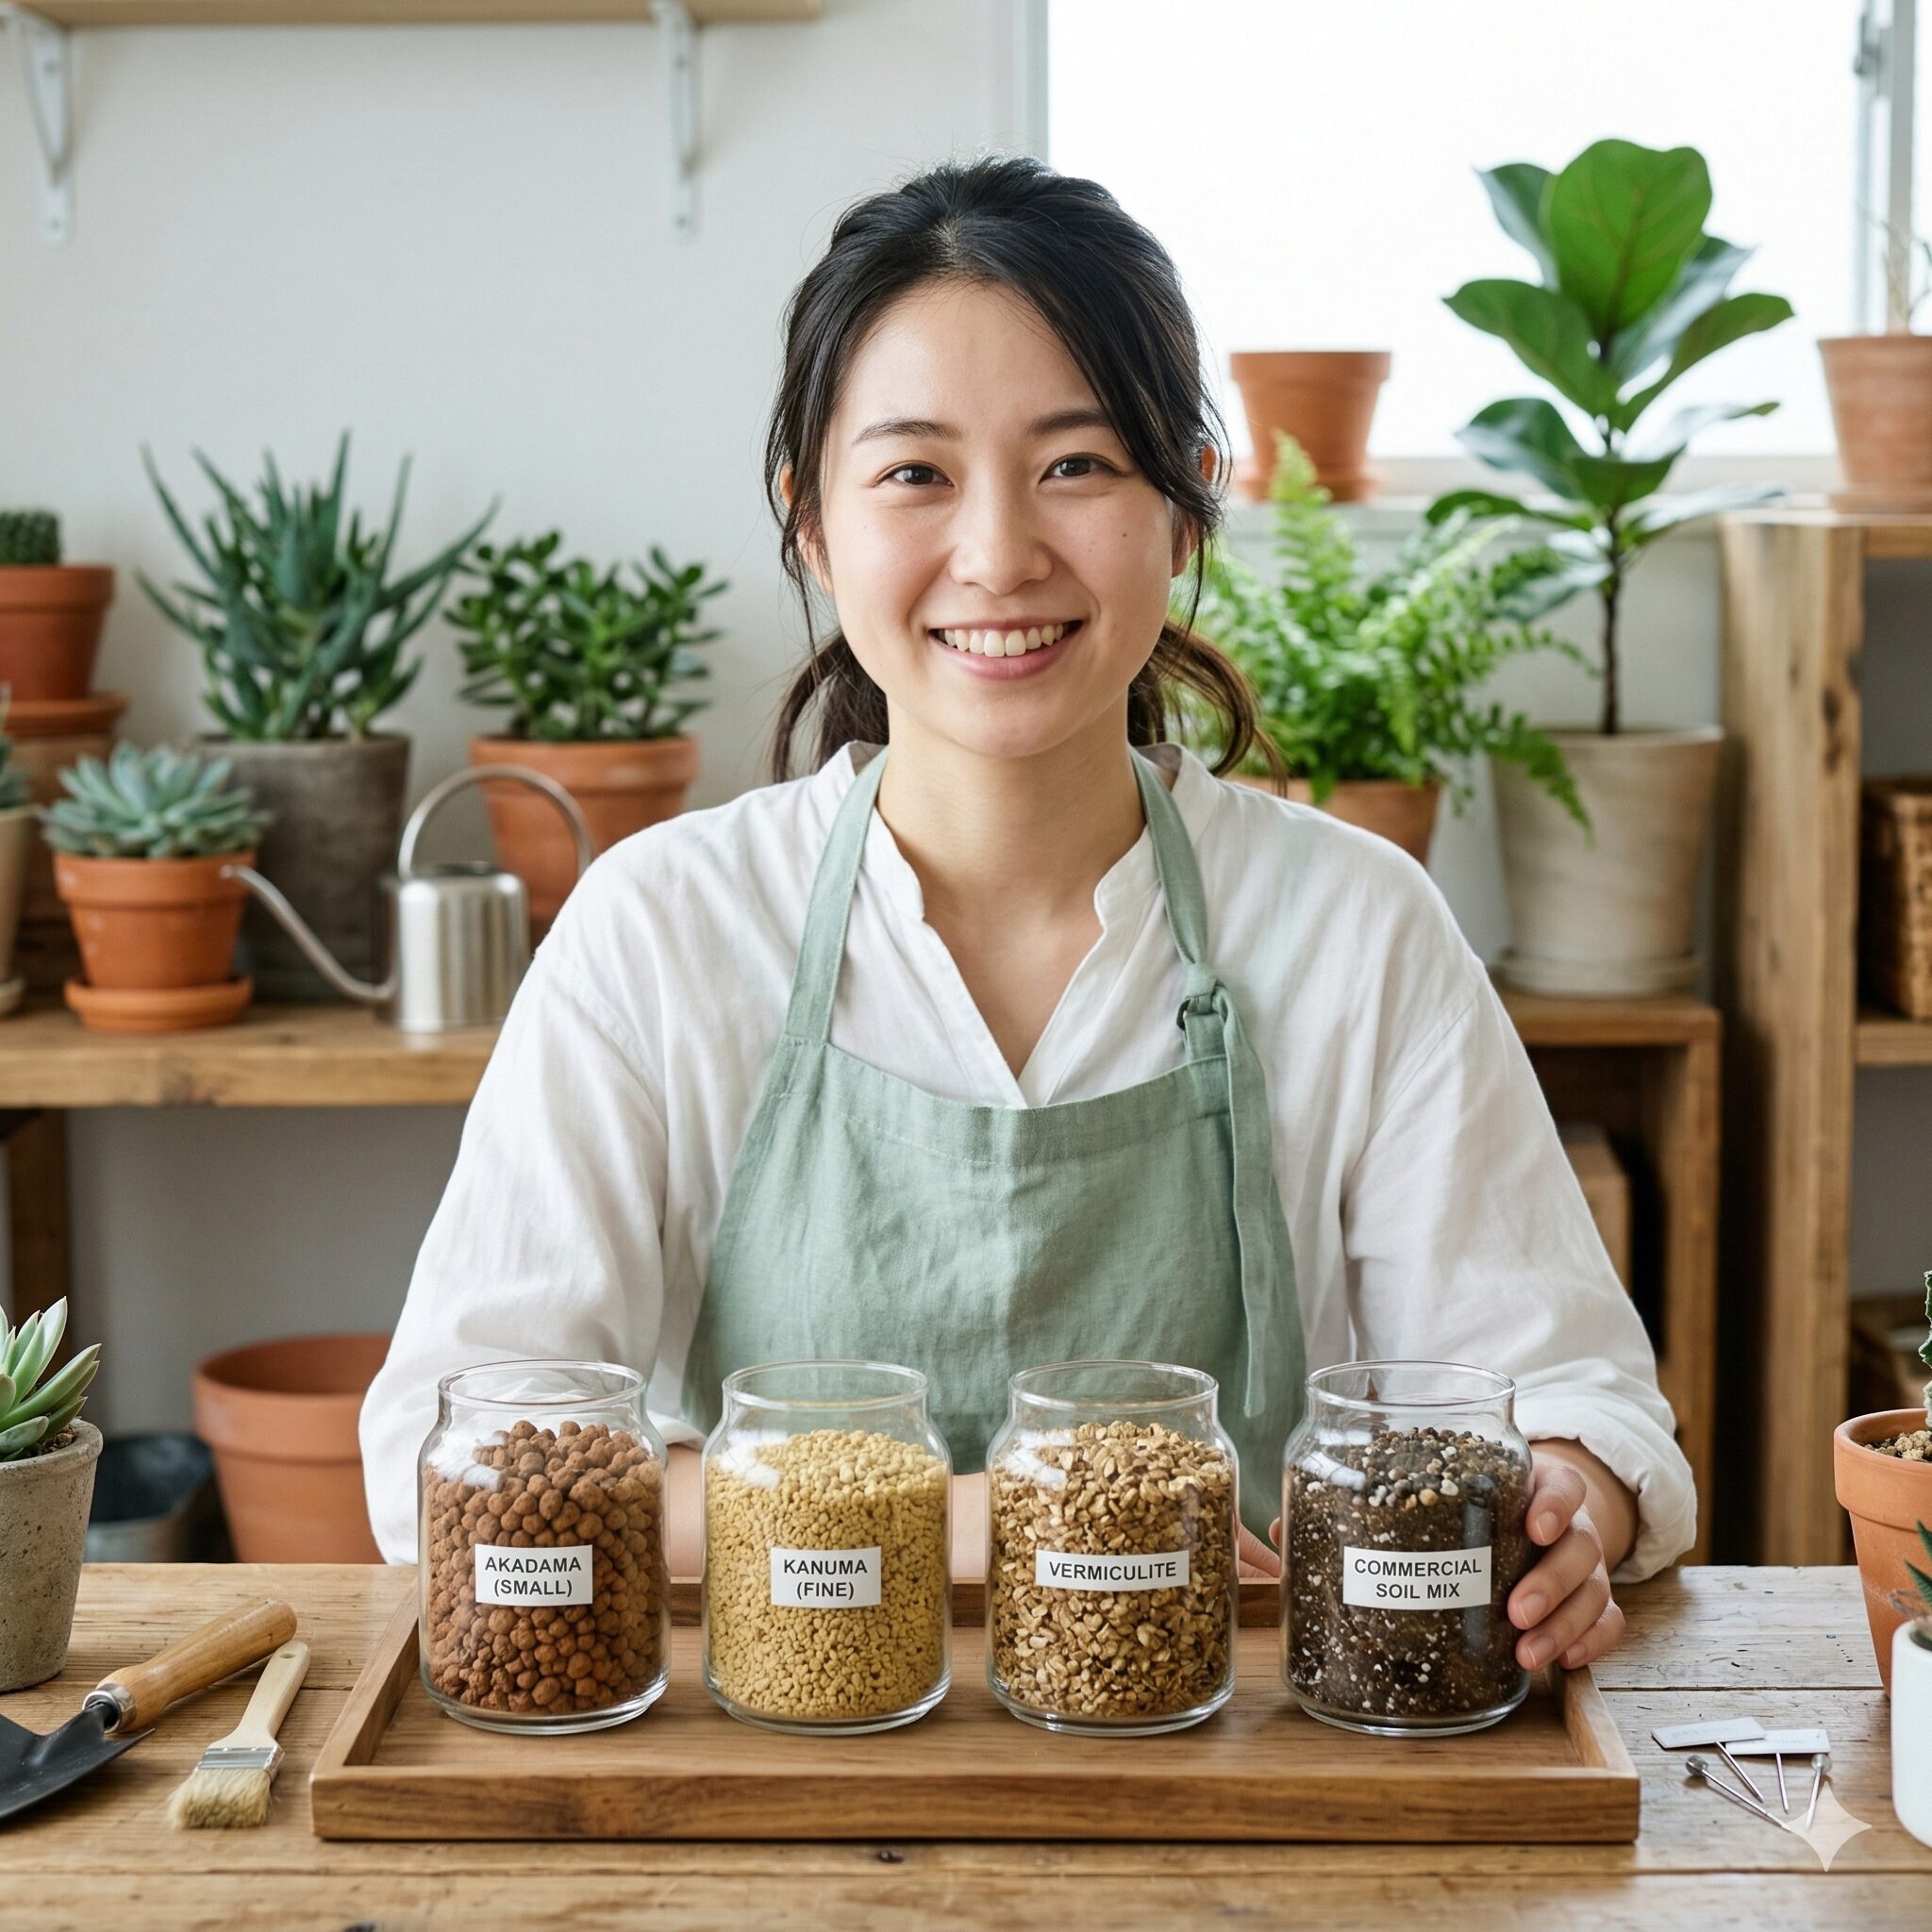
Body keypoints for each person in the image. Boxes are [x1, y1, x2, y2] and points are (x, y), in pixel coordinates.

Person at [361, 155, 1693, 1675]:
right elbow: (451, 1462)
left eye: (1078, 464)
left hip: (1248, 1753)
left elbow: (1571, 1401)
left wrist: (1563, 1512)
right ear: (811, 523)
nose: (998, 554)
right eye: (915, 474)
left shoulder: (1354, 926)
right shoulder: (660, 929)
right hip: (783, 1763)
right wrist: (970, 1517)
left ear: (1185, 503)